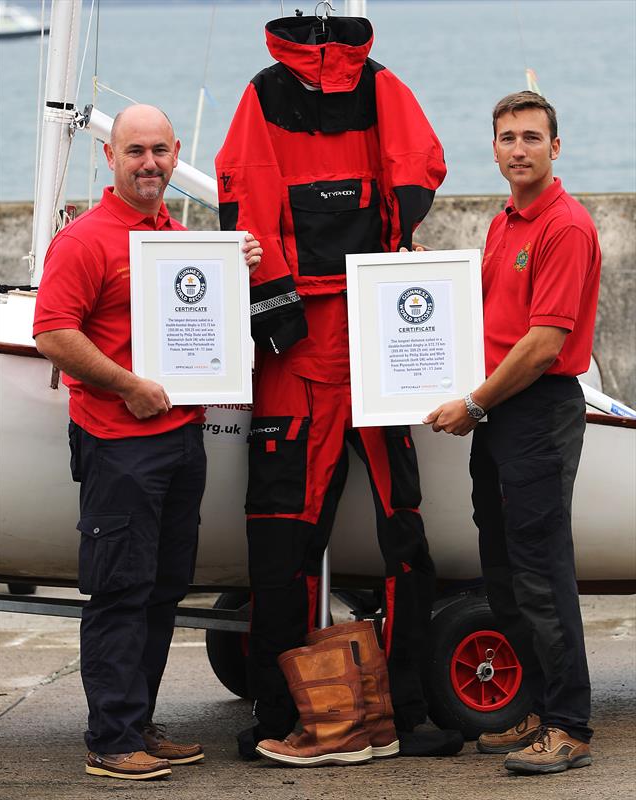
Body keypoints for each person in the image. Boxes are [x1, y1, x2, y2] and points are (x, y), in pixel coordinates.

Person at [215, 14, 463, 761]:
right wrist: (280, 302)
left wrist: (390, 248)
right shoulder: (263, 96)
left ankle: (400, 707)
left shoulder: (381, 86)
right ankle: (280, 714)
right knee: (285, 533)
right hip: (309, 344)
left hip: (370, 332)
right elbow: (245, 193)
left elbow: (416, 166)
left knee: (398, 532)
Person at [33, 104, 262, 781]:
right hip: (117, 442)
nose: (151, 164)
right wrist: (127, 385)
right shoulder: (85, 240)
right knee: (120, 592)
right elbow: (52, 333)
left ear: (175, 151)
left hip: (179, 440)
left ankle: (136, 722)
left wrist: (235, 262)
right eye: (135, 151)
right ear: (110, 157)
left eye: (160, 150)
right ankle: (110, 740)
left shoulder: (177, 237)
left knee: (163, 591)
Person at [425, 91, 601, 775]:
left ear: (556, 148)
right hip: (500, 411)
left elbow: (541, 344)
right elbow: (486, 310)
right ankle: (535, 709)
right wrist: (418, 277)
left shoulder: (565, 226)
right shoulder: (505, 223)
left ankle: (570, 725)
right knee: (500, 571)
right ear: (493, 148)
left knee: (541, 574)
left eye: (532, 137)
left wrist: (472, 404)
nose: (519, 149)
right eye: (507, 138)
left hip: (535, 408)